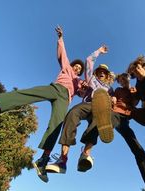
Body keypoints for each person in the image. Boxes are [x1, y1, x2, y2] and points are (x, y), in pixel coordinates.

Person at [0, 26, 85, 182]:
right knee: (29, 93)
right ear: (72, 66)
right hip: (55, 88)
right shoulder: (67, 67)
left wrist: (85, 87)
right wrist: (60, 38)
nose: (77, 69)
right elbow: (62, 55)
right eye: (76, 67)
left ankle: (43, 160)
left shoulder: (79, 82)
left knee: (56, 125)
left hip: (64, 99)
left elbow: (84, 92)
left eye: (79, 69)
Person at [77, 73, 145, 190]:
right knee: (103, 120)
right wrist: (112, 99)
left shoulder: (134, 90)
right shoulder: (118, 90)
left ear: (128, 79)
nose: (123, 81)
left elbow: (136, 103)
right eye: (120, 80)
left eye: (124, 79)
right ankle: (85, 154)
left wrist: (134, 93)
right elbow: (113, 98)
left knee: (139, 151)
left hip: (125, 121)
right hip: (115, 113)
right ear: (119, 82)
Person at [45, 44, 114, 174]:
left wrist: (114, 100)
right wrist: (99, 51)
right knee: (72, 114)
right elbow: (88, 61)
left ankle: (85, 154)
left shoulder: (110, 89)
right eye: (99, 71)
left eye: (104, 72)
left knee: (98, 122)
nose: (101, 73)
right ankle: (62, 160)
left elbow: (114, 101)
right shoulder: (91, 79)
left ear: (108, 75)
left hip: (101, 109)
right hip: (87, 104)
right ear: (96, 73)